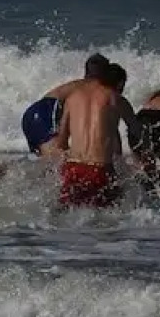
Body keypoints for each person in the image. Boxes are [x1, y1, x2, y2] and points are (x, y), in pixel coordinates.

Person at [42, 61, 130, 208]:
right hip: (100, 170)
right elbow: (137, 133)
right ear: (120, 83)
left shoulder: (73, 98)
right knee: (116, 211)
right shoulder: (116, 99)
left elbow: (61, 143)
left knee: (66, 212)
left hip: (73, 169)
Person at [21, 53, 136, 154]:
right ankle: (5, 169)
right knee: (58, 155)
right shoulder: (97, 90)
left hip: (34, 113)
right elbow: (108, 126)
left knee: (50, 162)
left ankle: (7, 170)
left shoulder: (80, 85)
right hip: (47, 111)